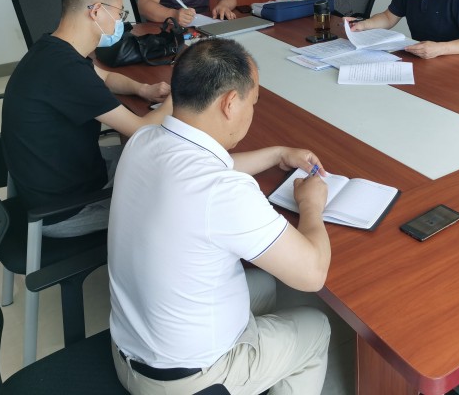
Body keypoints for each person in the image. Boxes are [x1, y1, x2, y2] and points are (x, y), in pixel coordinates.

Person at [109, 38, 332, 395]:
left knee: (265, 285)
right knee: (316, 326)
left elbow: (215, 169)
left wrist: (277, 153)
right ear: (230, 103)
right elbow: (313, 274)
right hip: (184, 382)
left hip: (131, 349)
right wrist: (312, 204)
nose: (252, 111)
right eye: (253, 102)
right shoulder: (223, 192)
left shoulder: (145, 139)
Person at [2, 0, 173, 238]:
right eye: (119, 14)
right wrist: (182, 91)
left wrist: (143, 89)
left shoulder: (52, 48)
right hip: (66, 209)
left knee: (156, 165)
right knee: (173, 200)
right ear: (96, 11)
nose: (121, 22)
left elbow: (105, 77)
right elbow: (142, 129)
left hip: (64, 177)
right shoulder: (66, 70)